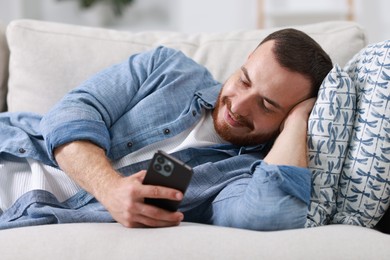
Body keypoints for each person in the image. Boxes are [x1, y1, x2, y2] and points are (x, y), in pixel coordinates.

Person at [0, 28, 332, 230]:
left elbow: (269, 214)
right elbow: (71, 111)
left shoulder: (239, 174)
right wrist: (110, 189)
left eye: (267, 105)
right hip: (12, 146)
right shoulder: (168, 67)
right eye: (244, 80)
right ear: (245, 60)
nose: (239, 105)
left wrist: (299, 121)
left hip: (22, 214)